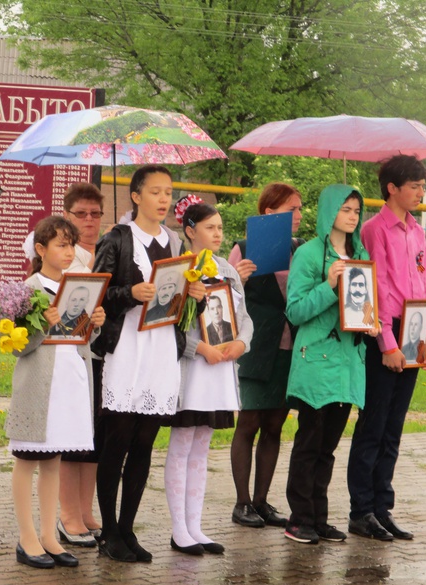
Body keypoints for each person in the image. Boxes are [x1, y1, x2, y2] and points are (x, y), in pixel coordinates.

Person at [92, 165, 206, 562]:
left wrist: (194, 292)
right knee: (118, 440)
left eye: (168, 192)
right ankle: (107, 533)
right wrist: (129, 292)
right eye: (154, 191)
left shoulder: (176, 244)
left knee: (145, 443)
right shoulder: (117, 239)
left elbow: (181, 300)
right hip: (127, 348)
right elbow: (96, 294)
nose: (163, 199)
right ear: (135, 196)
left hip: (161, 348)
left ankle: (128, 529)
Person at [346, 155, 426, 542]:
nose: (420, 192)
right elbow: (376, 289)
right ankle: (361, 509)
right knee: (373, 425)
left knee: (394, 428)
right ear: (392, 189)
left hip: (414, 329)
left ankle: (383, 507)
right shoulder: (374, 230)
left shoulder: (417, 230)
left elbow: (425, 280)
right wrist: (386, 343)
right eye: (414, 186)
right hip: (385, 334)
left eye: (422, 186)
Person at [7, 216, 106, 569]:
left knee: (54, 460)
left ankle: (49, 535)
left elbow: (80, 340)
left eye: (72, 245)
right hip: (39, 385)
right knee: (27, 458)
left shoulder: (77, 285)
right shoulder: (27, 289)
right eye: (61, 245)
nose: (69, 252)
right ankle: (27, 537)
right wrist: (40, 327)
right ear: (40, 249)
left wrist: (94, 325)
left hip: (70, 382)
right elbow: (18, 347)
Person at [283, 185, 380, 544]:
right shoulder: (309, 254)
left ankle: (319, 518)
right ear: (328, 211)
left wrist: (372, 321)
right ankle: (299, 518)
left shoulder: (360, 254)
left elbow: (363, 306)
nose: (353, 216)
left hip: (347, 365)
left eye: (357, 210)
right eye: (345, 209)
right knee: (309, 441)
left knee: (328, 447)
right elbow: (295, 310)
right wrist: (328, 285)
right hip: (316, 364)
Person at [165, 198, 253, 555]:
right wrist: (200, 349)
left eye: (220, 228)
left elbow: (243, 316)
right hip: (193, 368)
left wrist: (241, 343)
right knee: (183, 442)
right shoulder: (179, 269)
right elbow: (171, 319)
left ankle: (195, 525)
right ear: (190, 231)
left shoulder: (226, 271)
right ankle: (178, 529)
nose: (218, 234)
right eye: (210, 228)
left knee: (203, 445)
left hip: (220, 369)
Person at [227, 182, 303, 528]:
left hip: (289, 348)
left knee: (275, 425)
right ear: (269, 213)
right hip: (256, 348)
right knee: (249, 423)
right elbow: (223, 298)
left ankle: (262, 501)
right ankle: (242, 503)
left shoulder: (301, 250)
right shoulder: (243, 248)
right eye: (292, 209)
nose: (299, 216)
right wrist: (238, 281)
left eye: (301, 209)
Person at [57, 182, 105, 548]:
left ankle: (86, 510)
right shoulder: (63, 255)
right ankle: (67, 513)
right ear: (67, 214)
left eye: (95, 214)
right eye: (81, 214)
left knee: (93, 440)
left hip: (101, 356)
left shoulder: (104, 252)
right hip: (66, 357)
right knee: (71, 439)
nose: (89, 221)